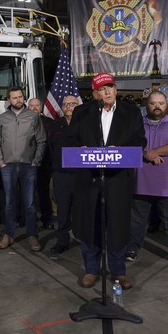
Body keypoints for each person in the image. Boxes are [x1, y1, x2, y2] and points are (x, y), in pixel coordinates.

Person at [66, 73, 146, 290]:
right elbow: (71, 138)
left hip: (118, 179)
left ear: (115, 89)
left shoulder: (131, 112)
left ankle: (119, 271)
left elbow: (140, 140)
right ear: (94, 93)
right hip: (89, 178)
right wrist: (79, 149)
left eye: (110, 87)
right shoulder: (83, 112)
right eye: (102, 88)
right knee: (90, 222)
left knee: (118, 224)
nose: (107, 91)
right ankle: (91, 269)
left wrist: (120, 150)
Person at [126, 91, 168, 267]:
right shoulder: (138, 123)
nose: (157, 106)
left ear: (166, 104)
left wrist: (156, 151)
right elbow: (129, 145)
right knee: (137, 221)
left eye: (161, 103)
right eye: (153, 103)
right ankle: (131, 249)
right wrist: (147, 154)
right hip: (141, 182)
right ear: (147, 104)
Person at [0, 87, 46, 251]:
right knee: (9, 203)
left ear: (24, 98)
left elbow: (41, 140)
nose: (18, 100)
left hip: (28, 166)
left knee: (29, 204)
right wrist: (1, 161)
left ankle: (32, 236)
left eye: (20, 97)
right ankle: (8, 235)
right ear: (8, 100)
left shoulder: (33, 117)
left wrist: (36, 161)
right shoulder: (2, 118)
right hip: (7, 166)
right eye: (14, 97)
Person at [48, 95, 79, 254]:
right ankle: (62, 241)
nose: (69, 107)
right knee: (63, 210)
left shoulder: (85, 124)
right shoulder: (55, 125)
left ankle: (85, 241)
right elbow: (51, 148)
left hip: (81, 175)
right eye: (66, 104)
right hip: (61, 174)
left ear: (78, 105)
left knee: (82, 209)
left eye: (72, 104)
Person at [28, 98, 55, 229]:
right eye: (31, 106)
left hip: (44, 163)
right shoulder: (22, 121)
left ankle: (47, 219)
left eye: (37, 105)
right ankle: (27, 219)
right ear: (28, 107)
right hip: (26, 164)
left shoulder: (50, 123)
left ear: (41, 107)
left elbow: (51, 144)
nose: (34, 108)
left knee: (44, 193)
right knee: (28, 193)